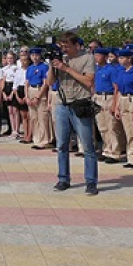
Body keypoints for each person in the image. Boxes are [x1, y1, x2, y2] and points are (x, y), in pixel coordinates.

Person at [48, 32, 98, 195]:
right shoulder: (61, 58)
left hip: (80, 103)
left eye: (67, 47)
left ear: (77, 45)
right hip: (62, 104)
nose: (65, 50)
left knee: (87, 145)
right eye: (62, 47)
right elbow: (50, 82)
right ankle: (63, 178)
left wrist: (66, 68)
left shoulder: (87, 58)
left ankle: (91, 182)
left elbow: (89, 81)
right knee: (62, 145)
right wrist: (52, 66)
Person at [93, 48, 125, 164]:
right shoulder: (96, 69)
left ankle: (115, 152)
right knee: (102, 126)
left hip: (109, 97)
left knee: (112, 126)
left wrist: (115, 104)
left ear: (105, 57)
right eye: (95, 55)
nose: (96, 57)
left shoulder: (111, 69)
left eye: (98, 55)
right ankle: (106, 150)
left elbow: (116, 87)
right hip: (98, 97)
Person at [27, 48, 52, 149]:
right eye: (33, 55)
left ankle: (44, 140)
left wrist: (38, 96)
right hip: (31, 90)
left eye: (37, 55)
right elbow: (27, 82)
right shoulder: (30, 68)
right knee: (34, 117)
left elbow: (45, 83)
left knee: (42, 117)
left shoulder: (44, 67)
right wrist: (27, 96)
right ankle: (36, 138)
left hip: (39, 90)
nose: (35, 57)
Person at [13, 50, 31, 142]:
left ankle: (30, 135)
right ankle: (25, 134)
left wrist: (26, 96)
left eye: (25, 60)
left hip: (27, 91)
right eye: (21, 60)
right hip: (19, 91)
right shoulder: (18, 71)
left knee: (29, 115)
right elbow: (15, 85)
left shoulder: (30, 70)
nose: (23, 62)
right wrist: (17, 97)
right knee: (23, 116)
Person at [1, 51, 19, 138]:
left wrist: (12, 93)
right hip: (6, 87)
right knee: (10, 111)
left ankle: (16, 130)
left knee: (15, 111)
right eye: (8, 58)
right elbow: (3, 81)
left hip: (14, 87)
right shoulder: (4, 69)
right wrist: (3, 92)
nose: (9, 60)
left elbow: (16, 81)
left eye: (11, 58)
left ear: (14, 59)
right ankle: (12, 129)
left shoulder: (16, 68)